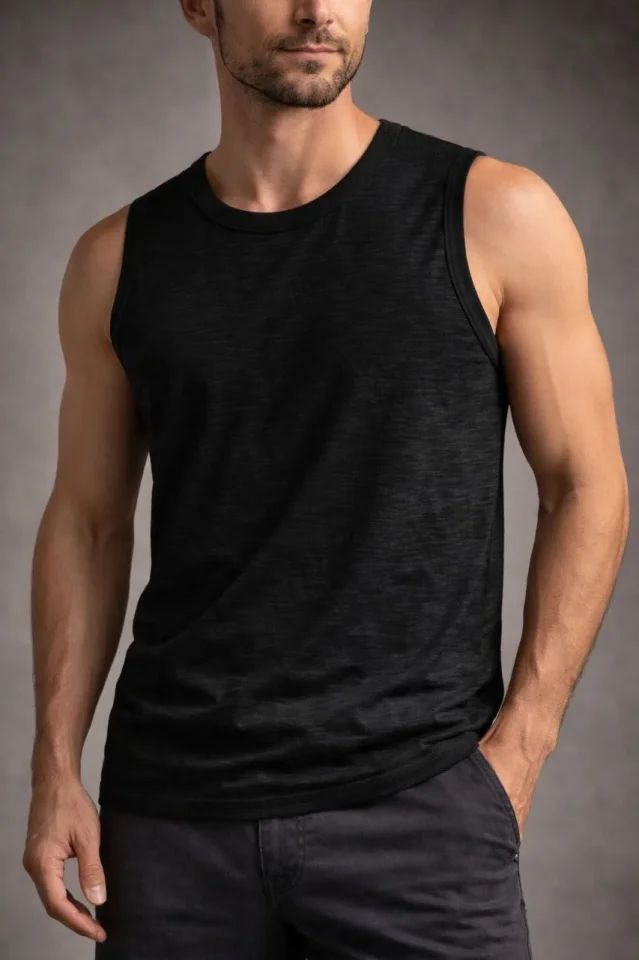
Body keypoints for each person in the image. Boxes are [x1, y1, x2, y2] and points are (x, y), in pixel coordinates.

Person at [22, 1, 629, 957]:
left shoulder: (495, 214)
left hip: (420, 813)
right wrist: (54, 766)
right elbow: (88, 521)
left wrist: (522, 745)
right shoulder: (117, 259)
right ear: (200, 5)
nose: (316, 9)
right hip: (173, 823)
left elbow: (585, 484)